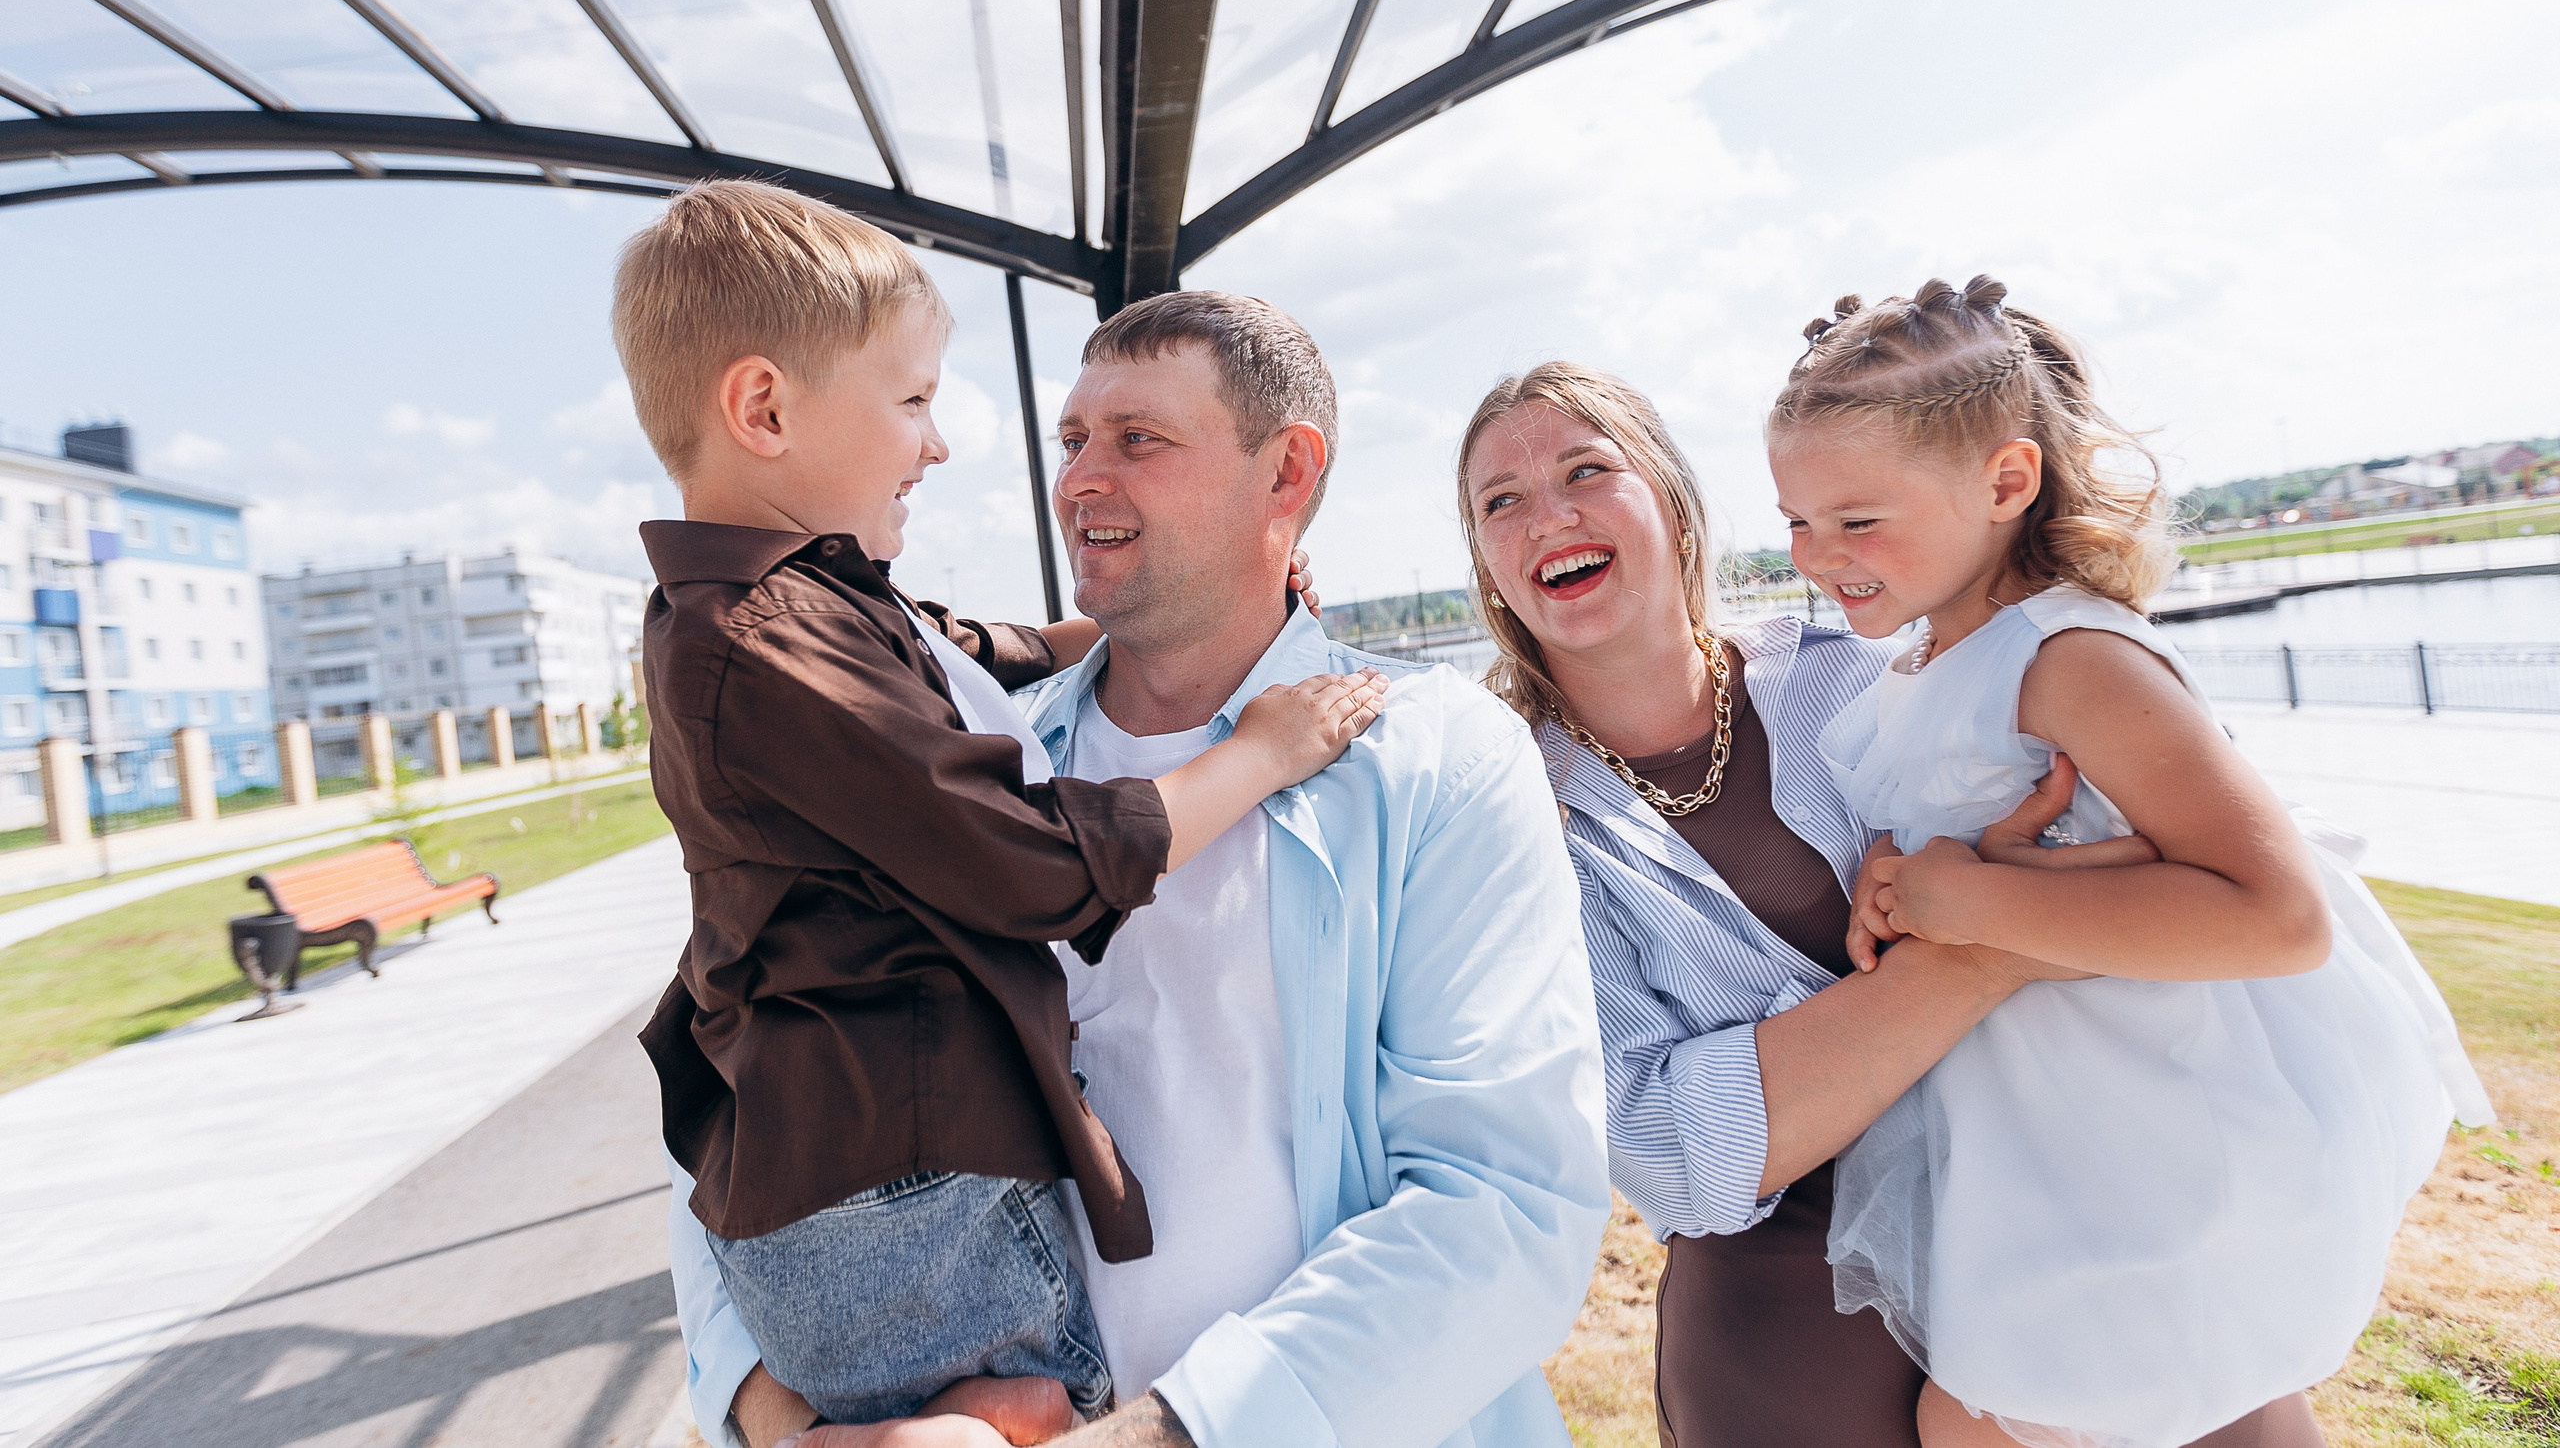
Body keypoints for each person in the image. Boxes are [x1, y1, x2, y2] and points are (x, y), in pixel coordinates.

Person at [668, 290, 1612, 1448]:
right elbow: (739, 1079)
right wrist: (781, 1423)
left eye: (1137, 440)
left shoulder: (1438, 756)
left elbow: (1504, 1215)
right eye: (1071, 440)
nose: (1077, 479)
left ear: (1287, 473)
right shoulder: (947, 754)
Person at [1455, 359, 2363, 1448]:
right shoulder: (1508, 817)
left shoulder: (1883, 670)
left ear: (1672, 501)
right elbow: (1662, 1148)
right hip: (1796, 1330)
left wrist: (1997, 912)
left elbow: (2183, 867)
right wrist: (1983, 944)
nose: (1545, 515)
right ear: (1488, 565)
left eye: (1584, 470)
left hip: (2083, 1225)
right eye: (1498, 501)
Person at [616, 185, 1386, 1435]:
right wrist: (1260, 751)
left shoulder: (799, 608)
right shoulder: (763, 639)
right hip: (904, 1200)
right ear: (764, 409)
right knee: (1030, 1419)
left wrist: (1107, 622)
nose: (939, 443)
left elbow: (952, 646)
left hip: (864, 1187)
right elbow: (1029, 865)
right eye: (911, 400)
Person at [1771, 276, 2487, 1447]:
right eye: (1797, 521)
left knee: (1987, 1419)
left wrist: (1975, 897)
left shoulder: (2071, 656)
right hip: (2051, 1135)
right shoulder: (1915, 668)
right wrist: (1896, 881)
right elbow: (1970, 822)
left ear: (2005, 482)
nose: (1815, 556)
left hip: (2157, 1113)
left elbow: (2276, 914)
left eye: (1857, 520)